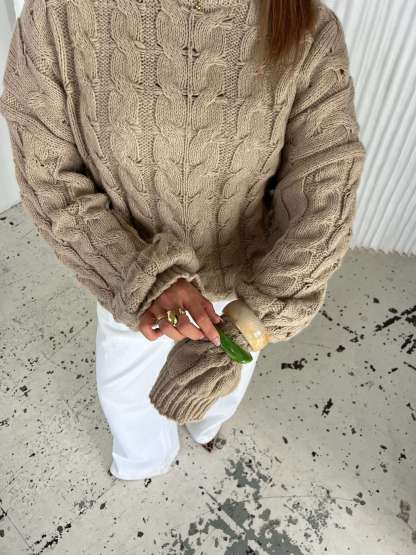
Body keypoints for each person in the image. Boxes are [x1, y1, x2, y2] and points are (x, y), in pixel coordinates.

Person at [0, 0, 366, 480]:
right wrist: (143, 280)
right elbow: (47, 173)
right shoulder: (61, 14)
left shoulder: (306, 28)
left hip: (240, 294)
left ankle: (207, 428)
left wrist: (240, 332)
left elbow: (326, 192)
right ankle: (145, 463)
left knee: (221, 392)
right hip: (130, 282)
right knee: (128, 400)